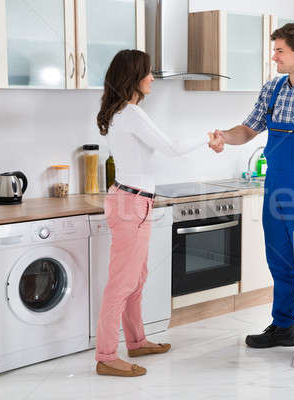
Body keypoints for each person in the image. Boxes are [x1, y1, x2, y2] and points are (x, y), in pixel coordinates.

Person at [208, 23, 294, 368]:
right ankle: (284, 327)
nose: (274, 57)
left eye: (280, 50)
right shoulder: (272, 90)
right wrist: (224, 137)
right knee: (280, 265)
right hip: (276, 193)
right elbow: (248, 129)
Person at [95, 49, 222, 377]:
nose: (152, 78)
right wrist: (207, 137)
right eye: (148, 73)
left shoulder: (119, 112)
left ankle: (137, 341)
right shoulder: (131, 113)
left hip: (131, 200)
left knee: (136, 278)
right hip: (131, 204)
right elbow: (172, 147)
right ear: (133, 77)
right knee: (121, 283)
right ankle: (107, 355)